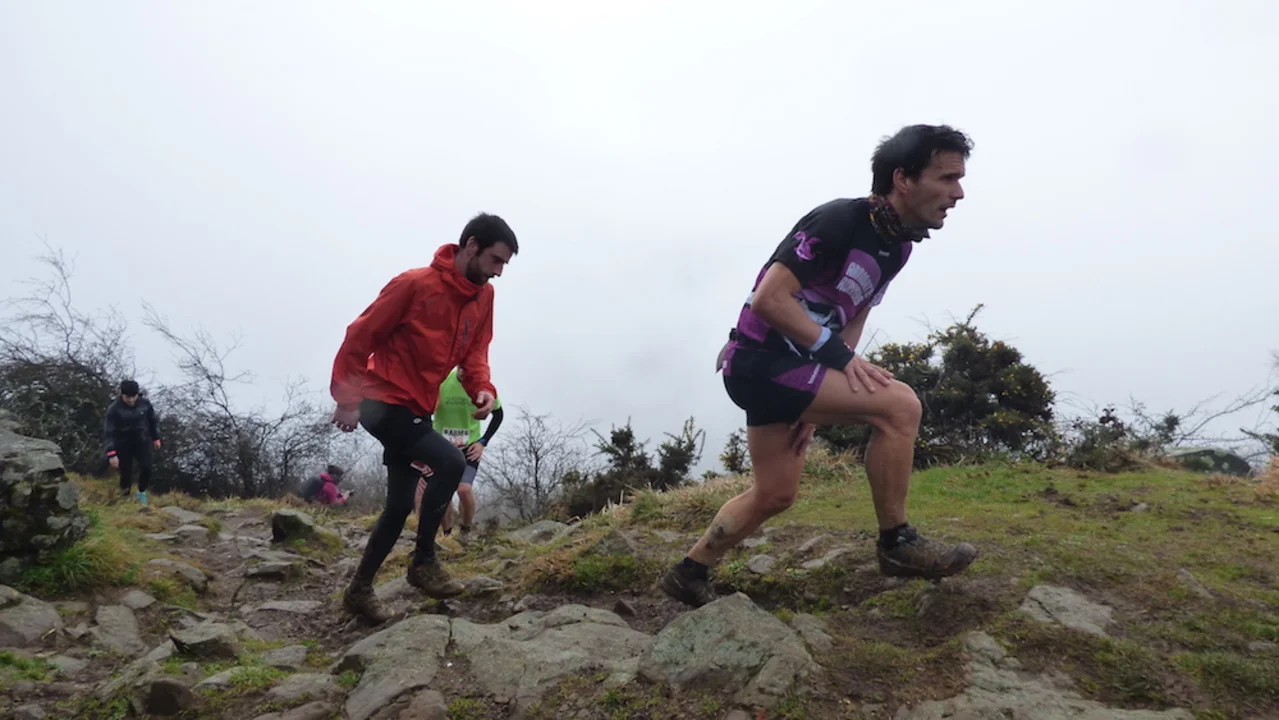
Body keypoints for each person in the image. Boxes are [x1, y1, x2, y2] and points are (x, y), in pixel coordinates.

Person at [661, 125, 980, 608]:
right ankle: (897, 543)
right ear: (903, 179)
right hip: (759, 363)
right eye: (948, 178)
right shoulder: (838, 220)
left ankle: (689, 572)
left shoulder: (898, 247)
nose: (958, 193)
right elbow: (769, 299)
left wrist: (824, 394)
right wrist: (839, 362)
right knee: (901, 407)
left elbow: (853, 316)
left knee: (775, 493)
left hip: (790, 373)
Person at [329, 212, 517, 623]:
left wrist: (482, 388)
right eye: (495, 260)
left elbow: (476, 351)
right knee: (450, 461)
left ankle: (359, 590)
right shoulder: (414, 285)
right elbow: (360, 336)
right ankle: (424, 562)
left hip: (417, 408)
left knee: (399, 506)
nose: (499, 272)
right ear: (471, 246)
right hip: (381, 400)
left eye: (505, 264)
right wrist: (346, 398)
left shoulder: (483, 297)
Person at [423, 366, 504, 545]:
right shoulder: (443, 381)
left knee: (464, 490)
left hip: (469, 446)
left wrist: (482, 442)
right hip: (441, 446)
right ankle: (447, 535)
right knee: (441, 493)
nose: (464, 372)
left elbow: (498, 414)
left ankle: (465, 530)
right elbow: (423, 410)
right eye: (462, 367)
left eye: (469, 368)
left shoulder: (482, 386)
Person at [104, 379, 161, 505]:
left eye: (133, 397)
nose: (130, 400)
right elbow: (109, 433)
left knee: (147, 467)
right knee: (126, 472)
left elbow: (152, 421)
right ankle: (124, 496)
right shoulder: (114, 409)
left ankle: (141, 492)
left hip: (142, 440)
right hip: (123, 443)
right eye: (127, 397)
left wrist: (155, 438)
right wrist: (111, 454)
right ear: (122, 394)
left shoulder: (145, 404)